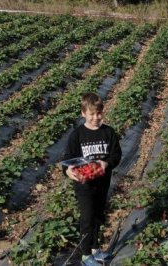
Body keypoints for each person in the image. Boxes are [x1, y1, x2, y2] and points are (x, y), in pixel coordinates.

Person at [63, 92, 122, 266]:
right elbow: (68, 158)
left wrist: (106, 164)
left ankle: (96, 249)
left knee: (98, 215)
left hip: (102, 182)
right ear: (83, 114)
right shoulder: (77, 135)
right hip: (84, 185)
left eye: (99, 113)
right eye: (92, 114)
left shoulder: (108, 132)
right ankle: (85, 254)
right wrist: (68, 171)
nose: (96, 117)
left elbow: (116, 155)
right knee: (87, 217)